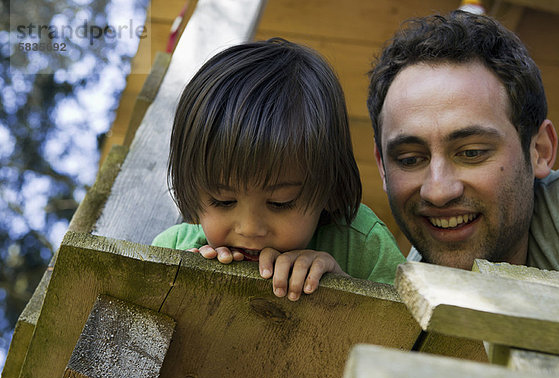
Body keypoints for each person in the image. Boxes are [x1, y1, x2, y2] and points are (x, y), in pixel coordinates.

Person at [152, 38, 406, 301]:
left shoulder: (363, 246)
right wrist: (177, 289)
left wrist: (342, 290)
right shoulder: (173, 250)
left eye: (279, 203)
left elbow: (410, 333)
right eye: (223, 201)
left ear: (330, 189)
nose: (249, 229)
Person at [367, 10, 559, 278]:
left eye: (471, 153)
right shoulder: (399, 289)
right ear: (382, 166)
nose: (438, 192)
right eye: (410, 159)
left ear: (539, 151)